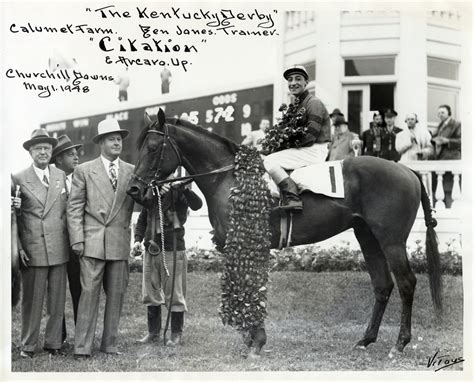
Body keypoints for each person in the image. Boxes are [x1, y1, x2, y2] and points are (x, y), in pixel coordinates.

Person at [67, 119, 135, 357]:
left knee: (116, 296)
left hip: (119, 241)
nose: (117, 142)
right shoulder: (84, 170)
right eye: (111, 139)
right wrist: (77, 239)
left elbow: (143, 199)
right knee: (88, 296)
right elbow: (74, 208)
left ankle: (110, 344)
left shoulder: (131, 171)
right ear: (101, 143)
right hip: (92, 243)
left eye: (119, 139)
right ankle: (82, 347)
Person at [11, 129, 69, 358]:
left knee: (56, 300)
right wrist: (20, 248)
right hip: (33, 248)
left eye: (47, 148)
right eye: (38, 149)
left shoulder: (60, 175)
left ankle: (53, 344)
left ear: (51, 151)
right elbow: (13, 217)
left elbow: (67, 210)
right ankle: (28, 345)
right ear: (30, 152)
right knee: (32, 301)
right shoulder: (18, 178)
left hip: (59, 247)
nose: (43, 152)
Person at [132, 178, 203, 346]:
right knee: (150, 293)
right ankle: (153, 333)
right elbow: (143, 218)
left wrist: (184, 190)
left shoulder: (179, 193)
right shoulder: (151, 193)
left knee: (175, 294)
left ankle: (176, 334)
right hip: (151, 249)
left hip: (173, 249)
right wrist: (137, 239)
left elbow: (197, 204)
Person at [263, 65, 331, 210]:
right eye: (290, 79)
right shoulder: (297, 104)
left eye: (298, 79)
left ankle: (292, 197)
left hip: (315, 148)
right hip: (307, 147)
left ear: (307, 82)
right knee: (267, 157)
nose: (293, 82)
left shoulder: (313, 103)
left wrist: (285, 144)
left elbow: (310, 137)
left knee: (270, 161)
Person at [50, 135, 82, 343]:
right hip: (57, 245)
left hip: (77, 246)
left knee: (79, 290)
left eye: (76, 152)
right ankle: (58, 336)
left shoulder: (81, 178)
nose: (76, 156)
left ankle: (82, 335)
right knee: (57, 292)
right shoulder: (52, 180)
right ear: (59, 159)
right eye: (70, 154)